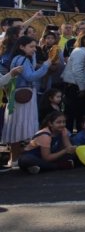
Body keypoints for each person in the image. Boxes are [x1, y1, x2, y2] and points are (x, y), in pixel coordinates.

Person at [1, 36, 54, 167]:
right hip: (24, 97)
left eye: (35, 46)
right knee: (22, 128)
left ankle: (14, 159)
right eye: (31, 46)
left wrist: (34, 56)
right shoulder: (23, 59)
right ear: (22, 47)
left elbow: (31, 69)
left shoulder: (17, 58)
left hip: (16, 96)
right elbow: (31, 76)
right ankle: (19, 158)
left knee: (16, 129)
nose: (34, 49)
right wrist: (46, 65)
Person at [61, 31, 85, 132]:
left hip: (79, 87)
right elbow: (77, 70)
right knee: (71, 116)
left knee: (80, 115)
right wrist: (82, 88)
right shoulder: (79, 52)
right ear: (84, 39)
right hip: (74, 87)